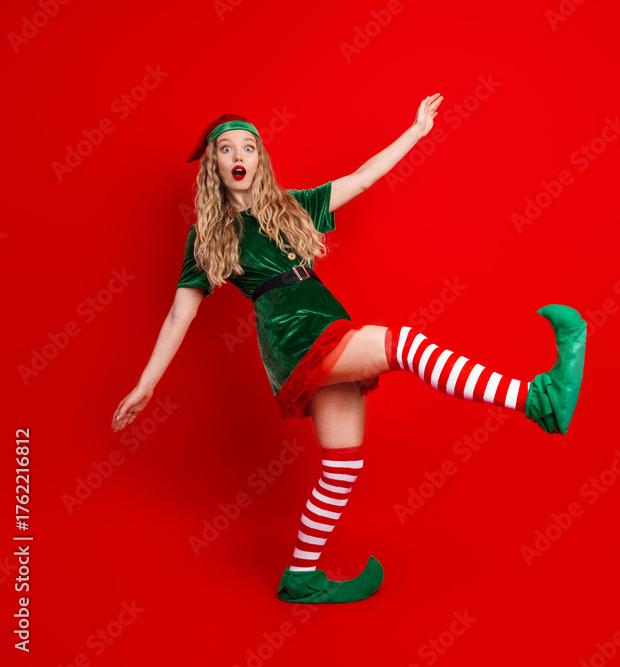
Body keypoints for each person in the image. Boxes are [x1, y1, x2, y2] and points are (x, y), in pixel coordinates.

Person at [110, 97, 587, 604]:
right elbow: (179, 314)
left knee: (342, 463)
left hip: (322, 323)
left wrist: (416, 132)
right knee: (404, 344)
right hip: (294, 336)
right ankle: (538, 399)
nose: (237, 155)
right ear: (214, 164)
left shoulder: (289, 206)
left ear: (260, 158)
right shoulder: (207, 235)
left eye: (247, 146)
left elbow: (360, 178)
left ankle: (301, 576)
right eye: (226, 149)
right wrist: (146, 384)